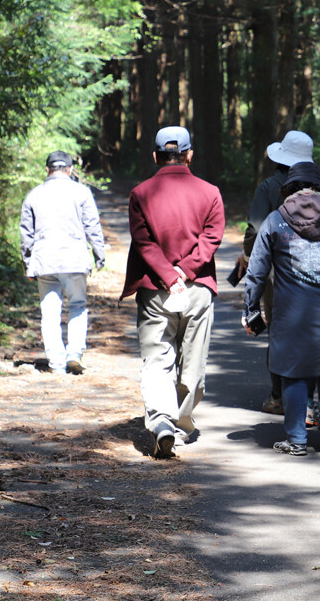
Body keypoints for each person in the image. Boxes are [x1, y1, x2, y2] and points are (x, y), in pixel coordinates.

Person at [243, 161, 320, 456]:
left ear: (288, 188)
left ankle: (297, 439)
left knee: (293, 371)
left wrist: (250, 306)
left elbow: (257, 270)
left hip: (291, 310)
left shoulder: (275, 220)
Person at [121, 126, 225, 459]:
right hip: (197, 288)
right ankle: (181, 418)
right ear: (189, 154)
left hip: (155, 289)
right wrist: (185, 271)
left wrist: (167, 274)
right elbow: (212, 237)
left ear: (155, 156)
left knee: (157, 359)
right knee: (192, 361)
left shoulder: (140, 193)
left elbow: (143, 241)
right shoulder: (211, 193)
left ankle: (161, 422)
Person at [234, 130, 315, 415]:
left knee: (280, 330)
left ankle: (278, 396)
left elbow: (256, 228)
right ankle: (308, 397)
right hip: (314, 268)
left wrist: (246, 256)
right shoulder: (319, 185)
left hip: (276, 272)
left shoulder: (269, 186)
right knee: (311, 329)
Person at [19, 151, 107, 375]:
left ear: (47, 170)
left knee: (50, 312)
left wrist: (27, 263)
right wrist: (99, 255)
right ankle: (74, 354)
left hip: (45, 261)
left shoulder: (34, 195)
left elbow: (26, 234)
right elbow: (92, 226)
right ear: (70, 169)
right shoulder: (82, 192)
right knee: (77, 306)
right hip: (75, 260)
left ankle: (57, 363)